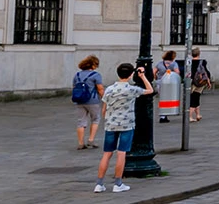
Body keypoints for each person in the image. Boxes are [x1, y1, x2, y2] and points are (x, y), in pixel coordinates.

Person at [94, 62, 153, 193]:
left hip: (111, 124)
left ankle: (99, 183)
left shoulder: (109, 89)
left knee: (107, 153)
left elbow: (104, 110)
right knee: (122, 153)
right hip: (126, 124)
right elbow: (150, 90)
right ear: (131, 74)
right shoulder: (131, 89)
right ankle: (118, 183)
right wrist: (142, 76)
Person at [71, 55, 104, 149]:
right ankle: (91, 140)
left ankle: (81, 143)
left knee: (81, 121)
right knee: (95, 119)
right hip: (93, 101)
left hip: (79, 100)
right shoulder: (96, 75)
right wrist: (105, 98)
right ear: (93, 65)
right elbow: (100, 88)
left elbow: (74, 87)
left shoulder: (77, 75)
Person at [155, 51, 180, 123]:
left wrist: (156, 78)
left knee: (162, 99)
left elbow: (154, 71)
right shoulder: (174, 64)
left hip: (160, 82)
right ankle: (166, 113)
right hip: (170, 83)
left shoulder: (160, 63)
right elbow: (177, 72)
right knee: (167, 99)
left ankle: (163, 115)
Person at [187, 48, 211, 123]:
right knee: (195, 98)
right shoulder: (202, 62)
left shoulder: (189, 62)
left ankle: (198, 114)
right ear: (199, 54)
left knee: (194, 98)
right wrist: (208, 82)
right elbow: (205, 72)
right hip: (200, 83)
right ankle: (190, 116)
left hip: (191, 82)